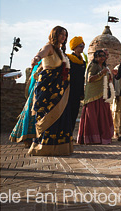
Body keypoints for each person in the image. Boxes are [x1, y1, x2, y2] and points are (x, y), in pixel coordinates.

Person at [24, 26, 73, 156]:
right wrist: (36, 58)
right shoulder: (49, 47)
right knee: (46, 116)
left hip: (61, 90)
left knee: (61, 118)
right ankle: (42, 147)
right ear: (54, 34)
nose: (63, 37)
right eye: (61, 34)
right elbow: (40, 54)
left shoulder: (62, 52)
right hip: (48, 89)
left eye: (65, 35)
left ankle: (59, 148)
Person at [77, 50, 115, 145]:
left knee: (103, 116)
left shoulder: (104, 66)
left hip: (103, 95)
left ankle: (103, 138)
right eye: (100, 56)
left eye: (104, 56)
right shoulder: (93, 65)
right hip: (93, 96)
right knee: (92, 116)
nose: (102, 57)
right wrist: (101, 73)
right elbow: (90, 79)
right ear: (95, 57)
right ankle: (92, 138)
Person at [66, 36, 86, 137]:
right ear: (74, 47)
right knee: (67, 113)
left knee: (74, 112)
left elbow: (82, 78)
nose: (82, 47)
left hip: (77, 91)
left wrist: (82, 93)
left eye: (83, 45)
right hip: (69, 89)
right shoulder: (68, 59)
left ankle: (70, 134)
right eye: (80, 46)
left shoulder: (83, 62)